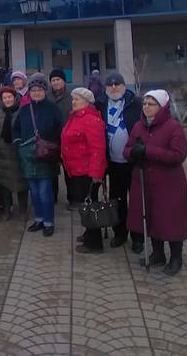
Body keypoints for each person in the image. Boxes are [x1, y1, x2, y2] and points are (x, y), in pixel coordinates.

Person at [124, 90, 187, 276]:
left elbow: (178, 155)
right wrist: (133, 153)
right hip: (144, 180)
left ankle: (176, 257)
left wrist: (148, 151)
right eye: (144, 103)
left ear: (162, 107)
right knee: (150, 216)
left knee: (171, 220)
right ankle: (158, 253)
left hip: (168, 182)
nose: (146, 107)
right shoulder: (139, 126)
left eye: (151, 104)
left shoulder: (173, 127)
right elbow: (127, 149)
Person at [96, 71, 143, 252]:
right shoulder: (100, 103)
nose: (114, 88)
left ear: (124, 86)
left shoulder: (136, 103)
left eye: (117, 84)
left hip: (133, 161)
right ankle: (120, 233)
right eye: (110, 85)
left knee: (137, 200)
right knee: (117, 200)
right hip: (113, 163)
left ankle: (138, 237)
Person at [13, 77, 62, 236]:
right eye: (33, 90)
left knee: (45, 191)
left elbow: (60, 129)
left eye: (39, 90)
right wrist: (18, 142)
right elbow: (16, 128)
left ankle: (48, 222)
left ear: (45, 91)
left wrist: (54, 146)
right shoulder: (25, 109)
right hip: (28, 156)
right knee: (34, 191)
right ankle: (39, 219)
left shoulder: (53, 108)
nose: (36, 93)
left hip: (46, 155)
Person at [61, 87, 107, 254]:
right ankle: (89, 233)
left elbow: (98, 149)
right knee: (85, 204)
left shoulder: (91, 120)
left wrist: (96, 174)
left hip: (87, 171)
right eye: (73, 99)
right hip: (77, 169)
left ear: (87, 102)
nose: (73, 102)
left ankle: (94, 243)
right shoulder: (75, 116)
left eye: (77, 99)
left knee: (91, 206)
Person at [0, 86, 28, 220]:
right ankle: (6, 209)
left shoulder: (23, 112)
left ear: (15, 98)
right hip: (2, 156)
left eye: (9, 97)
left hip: (19, 154)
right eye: (4, 98)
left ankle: (23, 210)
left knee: (22, 184)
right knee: (4, 186)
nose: (7, 100)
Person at [48, 69, 74, 207]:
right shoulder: (47, 97)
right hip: (51, 139)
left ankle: (72, 198)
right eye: (53, 80)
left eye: (58, 79)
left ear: (64, 81)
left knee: (69, 169)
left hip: (68, 139)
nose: (56, 82)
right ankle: (53, 197)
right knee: (52, 170)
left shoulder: (71, 97)